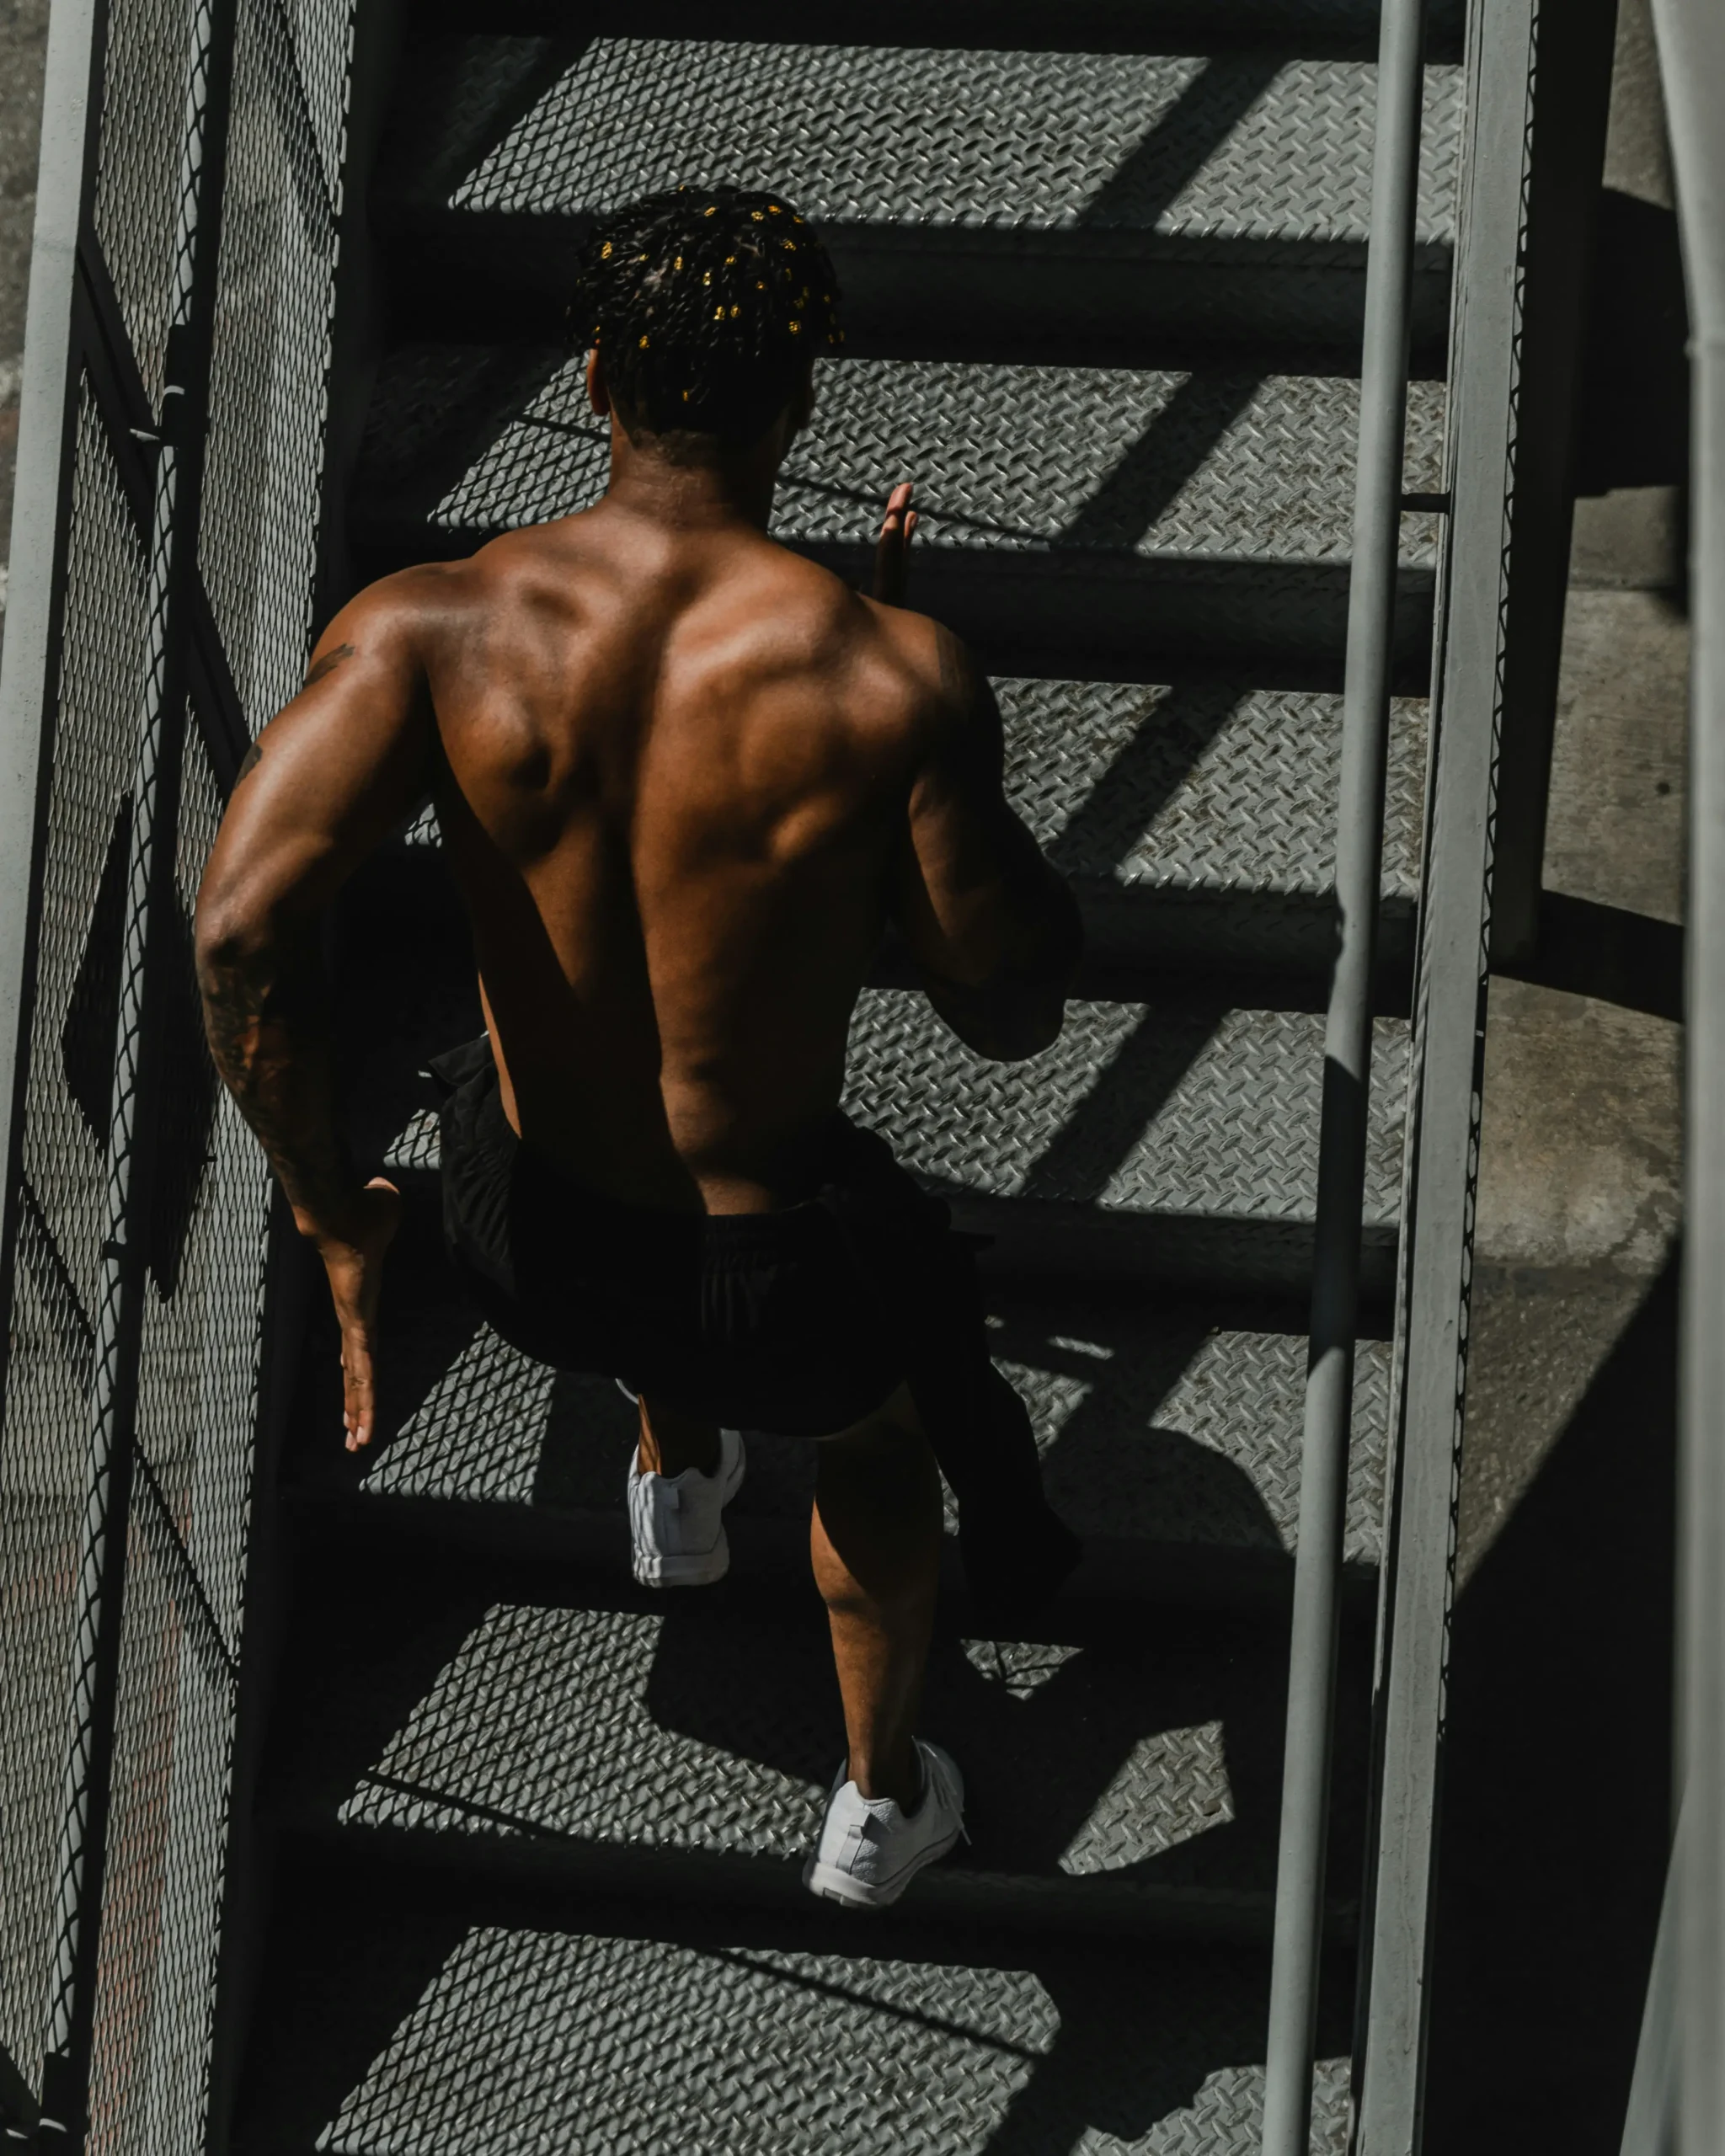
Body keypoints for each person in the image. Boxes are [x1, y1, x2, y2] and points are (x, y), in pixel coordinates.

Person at [194, 184, 1081, 1911]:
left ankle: (672, 1474)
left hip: (522, 1233)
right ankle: (879, 1801)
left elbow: (238, 928)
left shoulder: (428, 627)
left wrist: (329, 1209)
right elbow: (1006, 1005)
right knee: (883, 1447)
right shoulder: (886, 682)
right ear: (800, 400)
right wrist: (909, 704)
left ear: (593, 373)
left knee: (546, 1110)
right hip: (773, 1285)